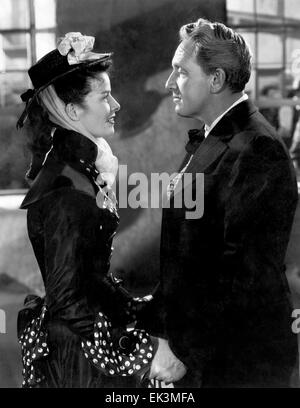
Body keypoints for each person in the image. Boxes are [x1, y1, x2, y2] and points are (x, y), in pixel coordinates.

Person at [146, 18, 299, 387]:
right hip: (211, 353)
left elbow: (244, 276)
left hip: (239, 360)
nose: (170, 84)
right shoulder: (218, 139)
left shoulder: (257, 147)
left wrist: (183, 350)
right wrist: (165, 335)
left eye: (181, 72)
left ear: (215, 80)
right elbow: (187, 257)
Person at [16, 32, 159, 388]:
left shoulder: (80, 167)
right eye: (104, 96)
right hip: (75, 352)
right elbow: (67, 298)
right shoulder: (65, 184)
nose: (116, 105)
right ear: (72, 110)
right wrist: (124, 340)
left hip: (79, 336)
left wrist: (132, 310)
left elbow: (88, 276)